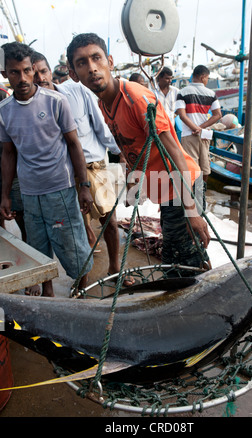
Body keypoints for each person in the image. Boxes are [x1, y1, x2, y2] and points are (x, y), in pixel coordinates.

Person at [66, 33, 211, 272]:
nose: (92, 68)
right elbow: (131, 150)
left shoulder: (135, 98)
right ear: (73, 74)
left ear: (109, 62)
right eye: (82, 63)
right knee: (185, 258)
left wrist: (191, 210)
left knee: (182, 264)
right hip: (166, 189)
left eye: (96, 58)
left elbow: (174, 151)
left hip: (184, 185)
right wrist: (137, 191)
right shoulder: (104, 104)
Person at [32, 51, 134, 285]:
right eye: (34, 73)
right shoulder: (35, 107)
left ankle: (115, 269)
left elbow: (100, 126)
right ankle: (83, 280)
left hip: (96, 165)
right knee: (78, 229)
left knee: (110, 221)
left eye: (43, 71)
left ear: (51, 72)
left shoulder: (77, 91)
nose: (39, 78)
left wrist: (121, 155)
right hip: (66, 173)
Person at [0, 41, 94, 296]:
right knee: (37, 244)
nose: (23, 78)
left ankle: (82, 288)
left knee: (72, 244)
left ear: (33, 68)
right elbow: (9, 153)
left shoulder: (55, 102)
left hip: (60, 189)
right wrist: (6, 195)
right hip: (30, 193)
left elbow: (74, 145)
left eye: (27, 70)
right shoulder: (4, 111)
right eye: (14, 72)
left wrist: (83, 186)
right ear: (4, 73)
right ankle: (48, 290)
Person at [175, 65, 222, 188]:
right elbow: (217, 115)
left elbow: (182, 115)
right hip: (204, 135)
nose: (207, 81)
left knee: (190, 167)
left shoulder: (182, 92)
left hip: (188, 135)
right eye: (207, 78)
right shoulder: (211, 94)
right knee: (205, 167)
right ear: (202, 77)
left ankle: (190, 194)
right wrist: (201, 128)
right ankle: (202, 193)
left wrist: (195, 128)